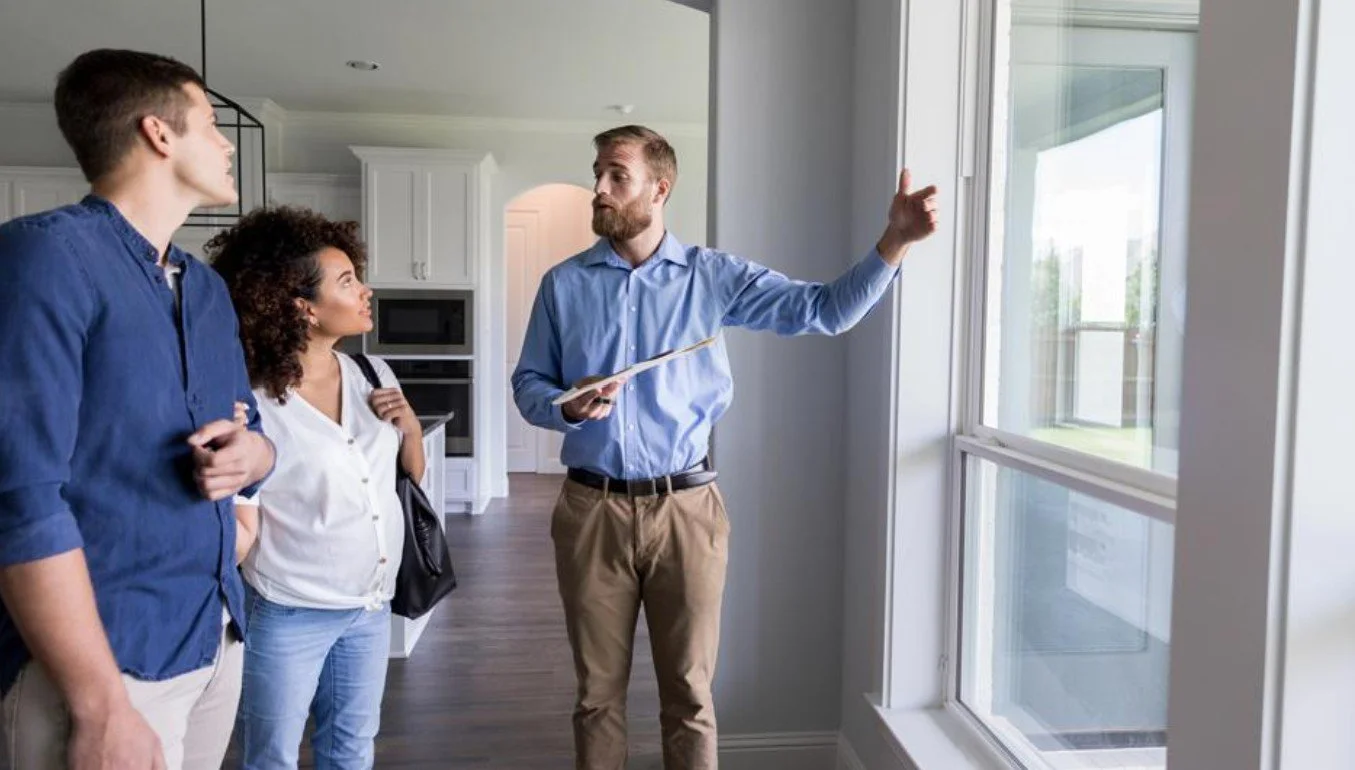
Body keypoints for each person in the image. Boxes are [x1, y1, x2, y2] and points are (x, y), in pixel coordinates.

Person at [511, 125, 939, 769]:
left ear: (660, 188)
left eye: (615, 175)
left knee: (689, 695)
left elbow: (823, 310)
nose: (598, 188)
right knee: (596, 697)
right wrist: (562, 405)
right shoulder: (561, 284)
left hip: (687, 512)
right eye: (597, 172)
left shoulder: (712, 277)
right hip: (589, 511)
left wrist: (895, 243)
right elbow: (527, 384)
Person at [0, 49, 276, 770]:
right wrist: (101, 706)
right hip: (103, 665)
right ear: (159, 133)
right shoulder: (43, 259)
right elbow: (21, 501)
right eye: (212, 124)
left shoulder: (207, 289)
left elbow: (254, 435)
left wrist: (254, 459)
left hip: (211, 640)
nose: (224, 144)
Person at [208, 206, 425, 769]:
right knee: (272, 759)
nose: (365, 290)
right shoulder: (250, 401)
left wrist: (411, 430)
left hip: (369, 607)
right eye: (347, 280)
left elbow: (409, 481)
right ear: (303, 307)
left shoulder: (373, 375)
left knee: (351, 751)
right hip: (288, 610)